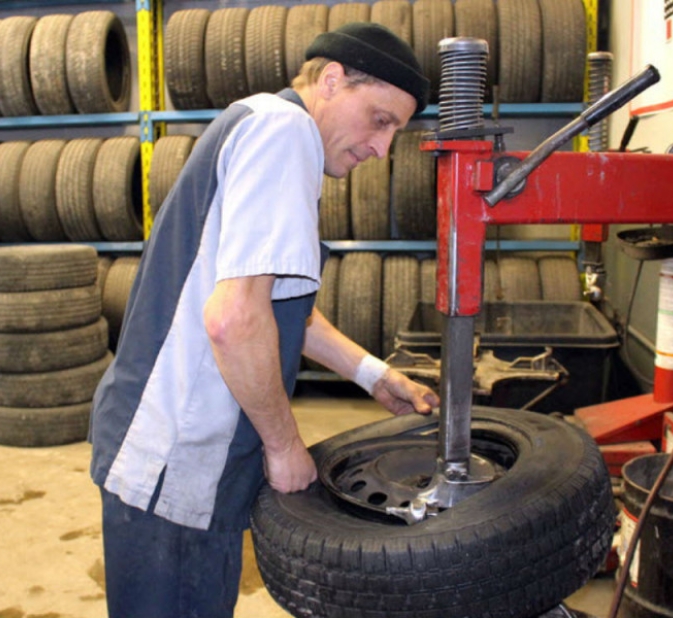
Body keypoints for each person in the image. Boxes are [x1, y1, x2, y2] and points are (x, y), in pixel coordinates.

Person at [89, 21, 439, 618]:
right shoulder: (284, 135)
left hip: (172, 449)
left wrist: (374, 375)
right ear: (332, 81)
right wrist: (283, 447)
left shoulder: (259, 123)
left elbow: (282, 312)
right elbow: (235, 321)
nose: (382, 149)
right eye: (381, 121)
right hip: (181, 461)